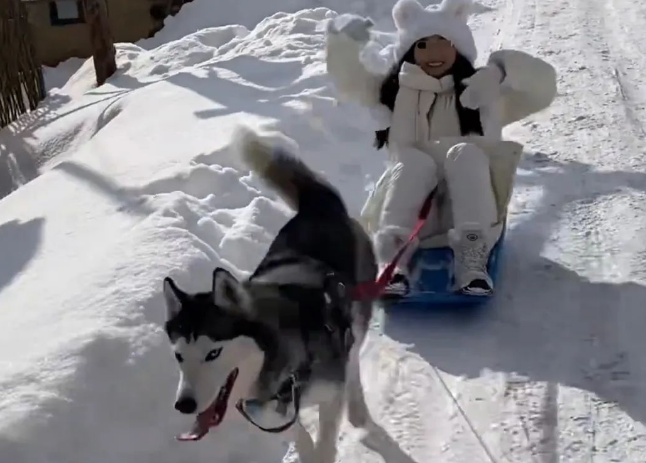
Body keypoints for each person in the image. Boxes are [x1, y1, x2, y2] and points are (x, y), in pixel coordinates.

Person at [325, 0, 557, 298]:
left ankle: (472, 261)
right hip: (411, 219)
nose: (434, 53)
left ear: (459, 47)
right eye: (423, 45)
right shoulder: (392, 94)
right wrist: (343, 42)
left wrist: (500, 71)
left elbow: (543, 88)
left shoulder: (483, 94)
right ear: (410, 50)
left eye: (443, 43)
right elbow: (350, 80)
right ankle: (392, 263)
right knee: (412, 161)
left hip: (475, 216)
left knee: (467, 153)